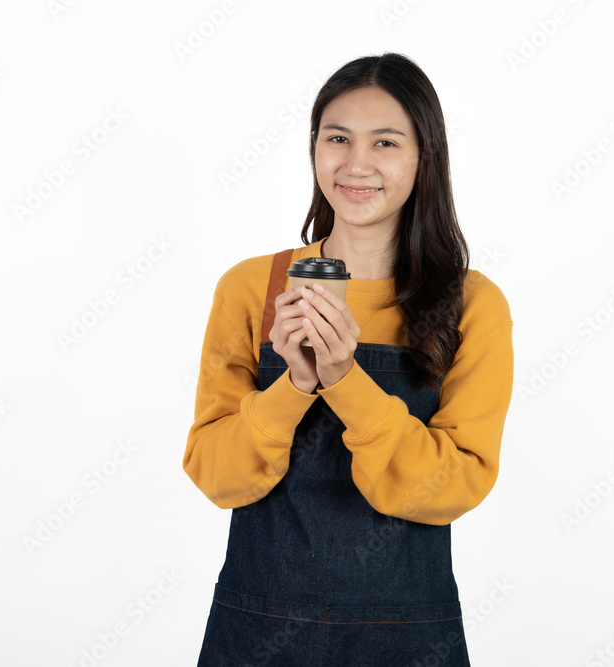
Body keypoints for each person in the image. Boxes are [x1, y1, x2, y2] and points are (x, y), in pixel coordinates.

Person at [184, 52, 514, 666]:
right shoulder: (253, 287)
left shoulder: (470, 304)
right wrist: (294, 386)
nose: (357, 163)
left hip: (407, 634)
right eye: (338, 138)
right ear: (314, 148)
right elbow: (215, 473)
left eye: (385, 142)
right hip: (258, 627)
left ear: (425, 156)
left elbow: (457, 483)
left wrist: (344, 379)